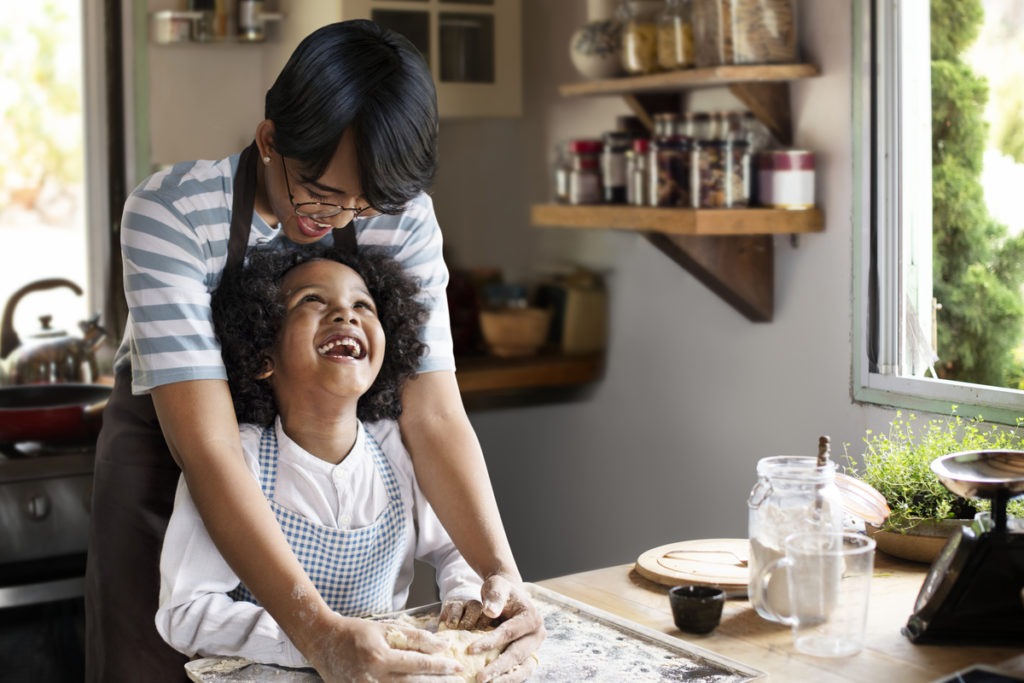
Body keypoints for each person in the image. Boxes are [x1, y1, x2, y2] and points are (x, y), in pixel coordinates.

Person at [85, 19, 543, 683]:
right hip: (174, 476)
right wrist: (319, 631)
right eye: (322, 194)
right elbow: (209, 449)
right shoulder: (172, 213)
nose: (340, 221)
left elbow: (434, 414)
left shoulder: (401, 214)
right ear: (271, 139)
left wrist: (502, 573)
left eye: (364, 203)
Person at [158, 247, 530, 679]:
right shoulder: (236, 461)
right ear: (263, 356)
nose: (345, 314)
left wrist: (468, 603)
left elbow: (456, 548)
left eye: (362, 305)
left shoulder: (398, 450)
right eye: (312, 300)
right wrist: (312, 641)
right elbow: (186, 612)